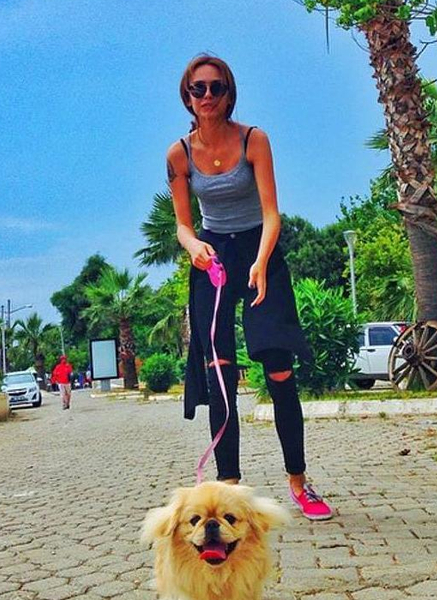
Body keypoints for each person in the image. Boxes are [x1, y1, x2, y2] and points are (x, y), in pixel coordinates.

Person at [167, 54, 332, 520]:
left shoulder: (253, 140)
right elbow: (183, 225)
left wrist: (260, 261)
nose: (207, 96)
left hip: (261, 250)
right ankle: (229, 491)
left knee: (278, 369)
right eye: (198, 88)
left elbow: (272, 212)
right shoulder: (178, 154)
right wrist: (194, 246)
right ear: (187, 96)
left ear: (228, 94)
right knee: (219, 375)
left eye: (215, 87)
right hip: (214, 255)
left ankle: (298, 481)